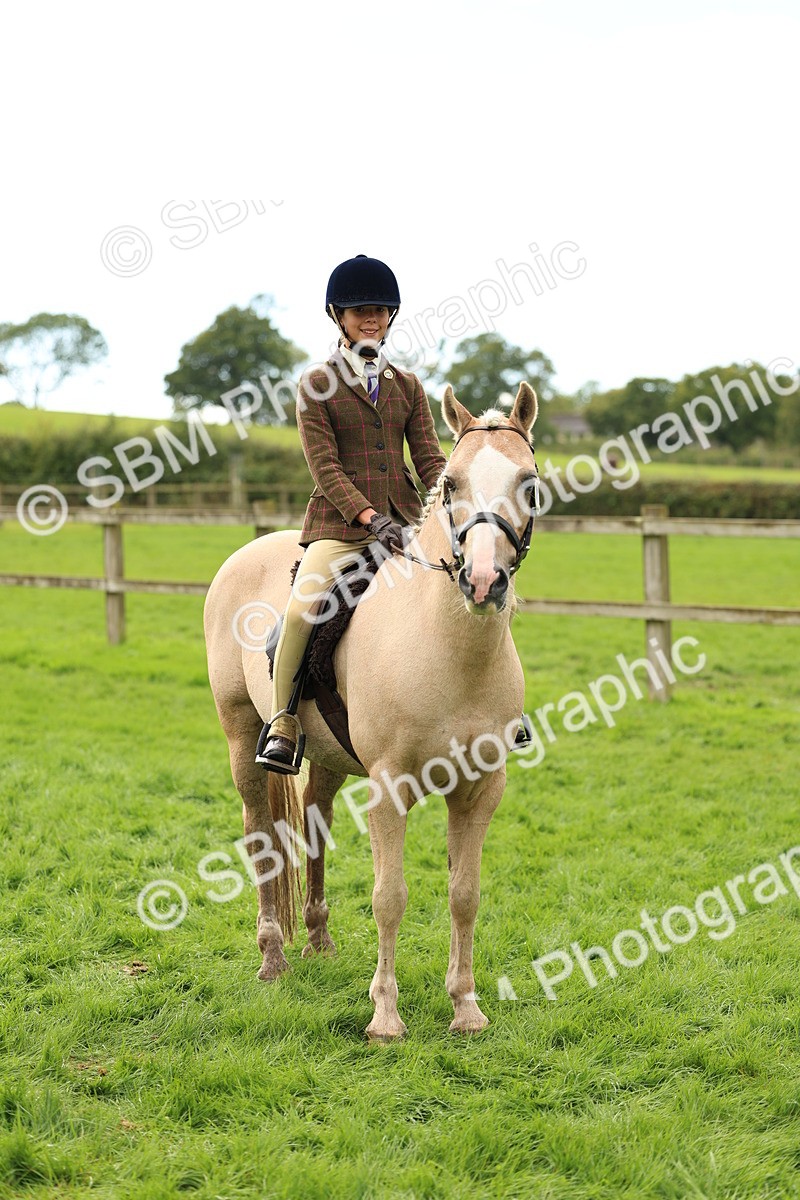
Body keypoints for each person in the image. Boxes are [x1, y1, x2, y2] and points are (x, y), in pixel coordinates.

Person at [258, 254, 447, 773]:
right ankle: (283, 721)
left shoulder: (407, 385)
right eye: (362, 310)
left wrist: (456, 502)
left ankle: (498, 709)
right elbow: (325, 467)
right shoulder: (315, 384)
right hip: (342, 526)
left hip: (406, 521)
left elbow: (428, 457)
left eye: (382, 311)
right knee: (301, 609)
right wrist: (368, 517)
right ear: (337, 315)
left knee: (472, 582)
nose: (373, 319)